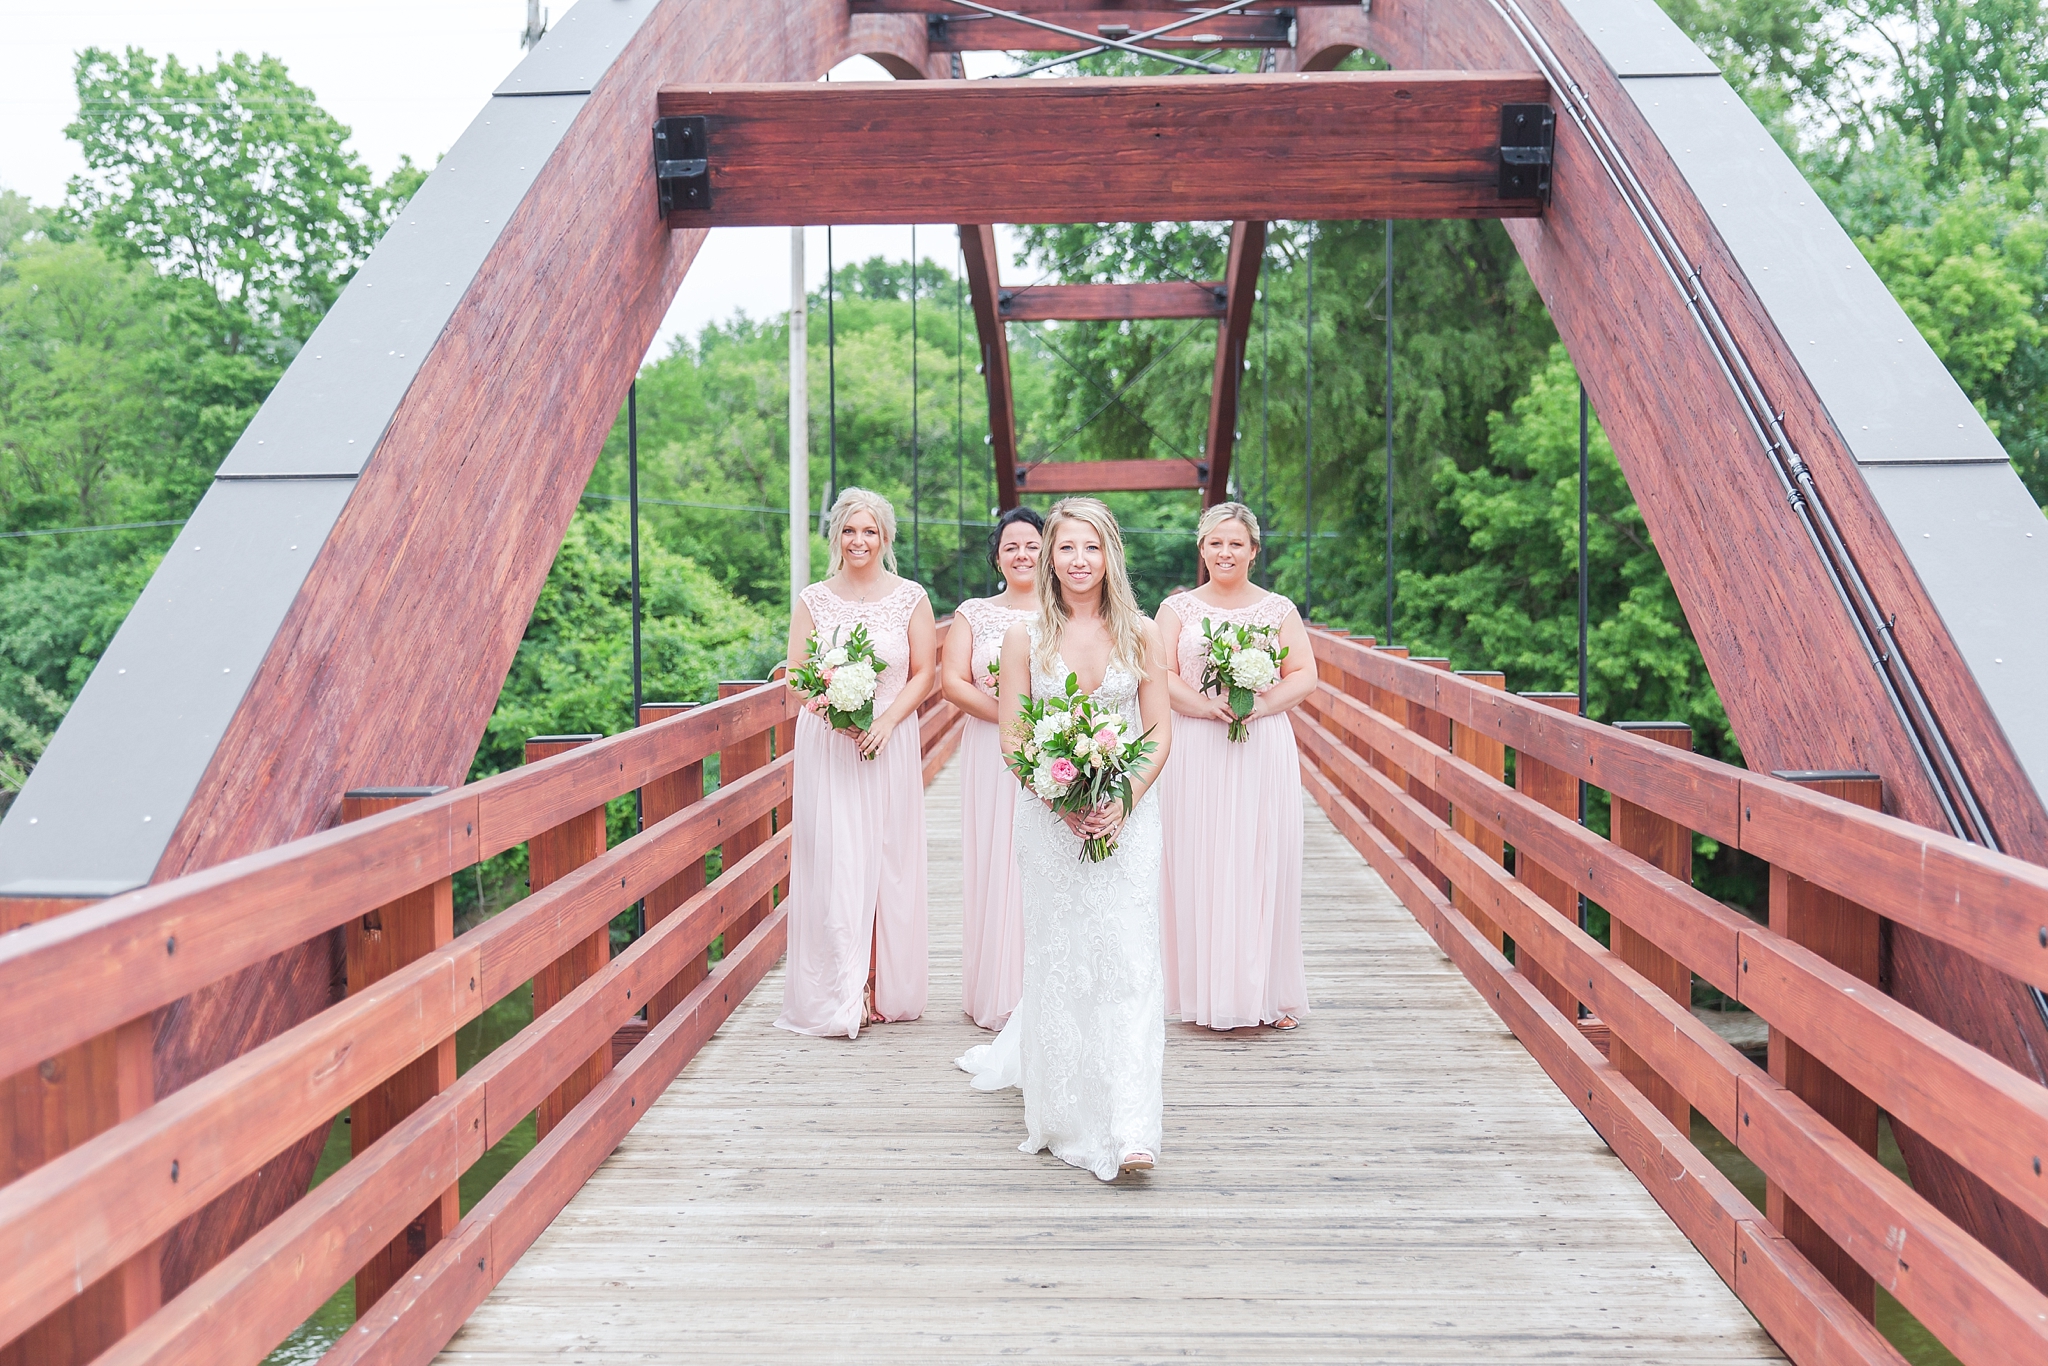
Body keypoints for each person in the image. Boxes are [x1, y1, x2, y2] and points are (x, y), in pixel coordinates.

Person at [956, 496, 1173, 1181]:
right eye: (1066, 547)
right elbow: (1015, 737)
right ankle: (1068, 1115)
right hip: (1048, 821)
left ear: (1111, 554)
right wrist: (1059, 802)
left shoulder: (1140, 631)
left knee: (1128, 960)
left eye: (1092, 547)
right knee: (1062, 959)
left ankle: (1133, 1125)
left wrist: (1123, 799)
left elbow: (1159, 731)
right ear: (1050, 556)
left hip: (1128, 817)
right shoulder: (1026, 638)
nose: (1079, 561)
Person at [776, 488, 936, 1038]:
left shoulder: (910, 597)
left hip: (890, 740)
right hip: (830, 744)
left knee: (886, 860)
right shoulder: (814, 599)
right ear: (836, 537)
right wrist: (834, 715)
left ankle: (883, 984)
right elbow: (797, 673)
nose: (859, 541)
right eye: (849, 530)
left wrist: (886, 721)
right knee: (838, 862)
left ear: (885, 538)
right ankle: (844, 990)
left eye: (869, 531)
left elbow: (924, 672)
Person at [1156, 502, 1317, 1031]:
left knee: (1259, 862)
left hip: (1259, 746)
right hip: (1196, 746)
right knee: (1198, 860)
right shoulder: (1176, 610)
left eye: (1236, 544)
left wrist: (1263, 704)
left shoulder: (1277, 609)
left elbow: (1303, 674)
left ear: (1253, 550)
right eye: (1215, 543)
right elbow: (1157, 673)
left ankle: (1263, 995)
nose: (1225, 552)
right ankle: (1200, 993)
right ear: (1201, 549)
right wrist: (1203, 706)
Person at [938, 507, 1044, 1030]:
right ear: (997, 557)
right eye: (1011, 547)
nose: (1022, 555)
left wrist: (1044, 729)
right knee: (995, 854)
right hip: (988, 750)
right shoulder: (974, 613)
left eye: (1032, 545)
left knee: (1044, 856)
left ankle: (1045, 987)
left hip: (1054, 749)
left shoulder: (1070, 612)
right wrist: (1012, 716)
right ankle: (995, 985)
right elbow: (954, 682)